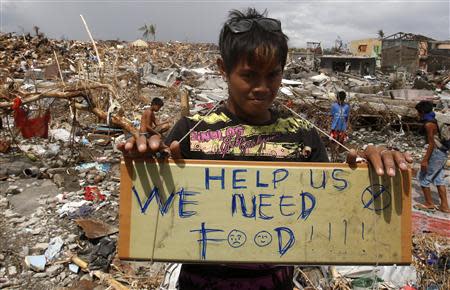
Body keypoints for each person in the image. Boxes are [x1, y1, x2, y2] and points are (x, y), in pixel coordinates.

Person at [119, 8, 412, 289]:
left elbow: (331, 206)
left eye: (272, 74)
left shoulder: (303, 136)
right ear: (223, 69)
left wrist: (371, 171)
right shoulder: (190, 133)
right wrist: (145, 163)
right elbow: (160, 208)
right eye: (249, 75)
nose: (262, 87)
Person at [414, 101, 449, 213]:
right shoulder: (435, 119)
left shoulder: (429, 124)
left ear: (422, 112)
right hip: (443, 153)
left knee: (423, 177)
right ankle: (444, 206)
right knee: (439, 179)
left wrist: (425, 160)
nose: (417, 114)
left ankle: (429, 203)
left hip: (436, 153)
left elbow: (431, 143)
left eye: (418, 112)